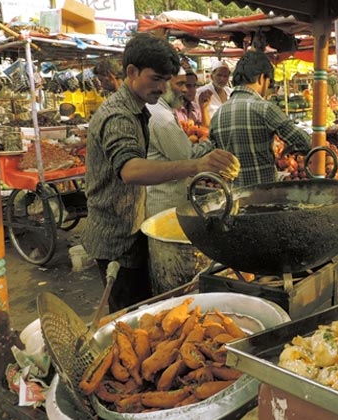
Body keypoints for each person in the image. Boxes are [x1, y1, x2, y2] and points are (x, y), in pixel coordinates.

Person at [82, 33, 240, 312]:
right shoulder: (118, 115)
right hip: (116, 239)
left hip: (131, 229)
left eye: (166, 79)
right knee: (129, 318)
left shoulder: (139, 109)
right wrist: (197, 165)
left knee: (146, 311)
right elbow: (130, 170)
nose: (163, 87)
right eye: (156, 79)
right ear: (131, 72)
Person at [208, 50, 310, 187]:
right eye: (268, 82)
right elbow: (305, 142)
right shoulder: (265, 109)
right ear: (262, 78)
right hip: (264, 196)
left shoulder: (218, 114)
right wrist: (287, 150)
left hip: (234, 198)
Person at [146, 66, 216, 217]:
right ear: (163, 84)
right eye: (180, 84)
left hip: (163, 197)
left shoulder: (159, 111)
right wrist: (213, 141)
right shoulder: (161, 118)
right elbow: (187, 155)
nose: (184, 90)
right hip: (163, 201)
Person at [196, 60, 232, 127]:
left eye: (225, 76)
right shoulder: (201, 92)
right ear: (212, 76)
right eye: (219, 75)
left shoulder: (230, 92)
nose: (222, 79)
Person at [174, 62, 203, 126]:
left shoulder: (196, 108)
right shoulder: (174, 110)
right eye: (188, 86)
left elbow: (204, 130)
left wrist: (204, 108)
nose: (192, 90)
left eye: (194, 86)